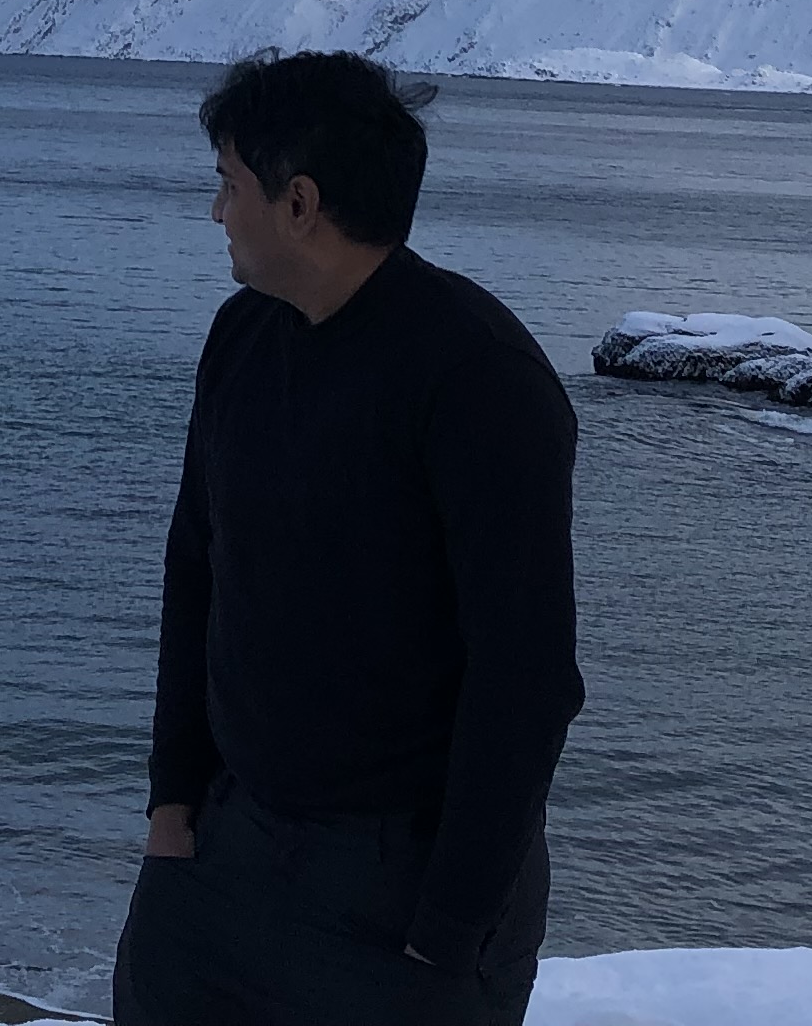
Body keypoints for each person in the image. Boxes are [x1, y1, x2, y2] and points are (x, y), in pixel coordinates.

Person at [111, 51, 581, 1026]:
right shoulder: (242, 337)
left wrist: (450, 924)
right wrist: (172, 807)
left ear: (300, 203)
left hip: (400, 887)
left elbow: (525, 674)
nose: (216, 212)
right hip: (224, 855)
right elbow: (196, 572)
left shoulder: (479, 379)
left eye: (229, 184)